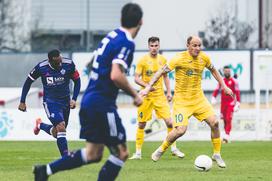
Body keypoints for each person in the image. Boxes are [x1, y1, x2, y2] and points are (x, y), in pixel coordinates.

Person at [33, 3, 143, 181]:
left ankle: (44, 171)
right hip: (103, 105)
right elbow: (116, 75)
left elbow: (91, 63)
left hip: (90, 101)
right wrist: (135, 95)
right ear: (140, 22)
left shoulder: (112, 36)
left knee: (93, 154)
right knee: (122, 152)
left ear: (122, 18)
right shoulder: (127, 42)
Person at [140, 36, 233, 168]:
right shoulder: (178, 58)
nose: (197, 48)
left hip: (199, 99)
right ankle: (162, 149)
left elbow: (213, 70)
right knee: (180, 130)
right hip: (182, 102)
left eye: (199, 45)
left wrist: (224, 86)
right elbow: (161, 71)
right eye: (194, 45)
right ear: (188, 45)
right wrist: (148, 87)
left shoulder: (204, 58)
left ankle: (217, 154)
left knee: (215, 123)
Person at [129, 36, 184, 160]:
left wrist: (169, 92)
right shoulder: (142, 60)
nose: (154, 48)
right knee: (142, 124)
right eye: (152, 46)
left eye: (156, 46)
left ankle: (174, 148)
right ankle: (138, 153)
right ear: (148, 46)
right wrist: (147, 86)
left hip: (160, 96)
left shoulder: (163, 59)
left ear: (159, 46)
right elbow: (136, 78)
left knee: (170, 122)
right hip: (145, 97)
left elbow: (165, 77)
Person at [18, 49, 81, 156]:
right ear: (50, 61)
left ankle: (40, 125)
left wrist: (74, 99)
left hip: (65, 101)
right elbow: (28, 82)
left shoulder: (69, 64)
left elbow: (77, 80)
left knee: (58, 132)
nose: (59, 64)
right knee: (61, 127)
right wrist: (22, 101)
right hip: (50, 102)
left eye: (60, 61)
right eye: (57, 62)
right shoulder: (41, 67)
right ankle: (65, 158)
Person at [211, 65, 241, 143]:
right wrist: (213, 97)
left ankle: (227, 135)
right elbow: (217, 89)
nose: (227, 72)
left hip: (230, 104)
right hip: (223, 104)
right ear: (223, 72)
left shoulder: (234, 81)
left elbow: (237, 92)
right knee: (224, 120)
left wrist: (237, 103)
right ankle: (226, 135)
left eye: (228, 71)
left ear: (230, 72)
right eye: (225, 71)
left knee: (228, 119)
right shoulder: (222, 81)